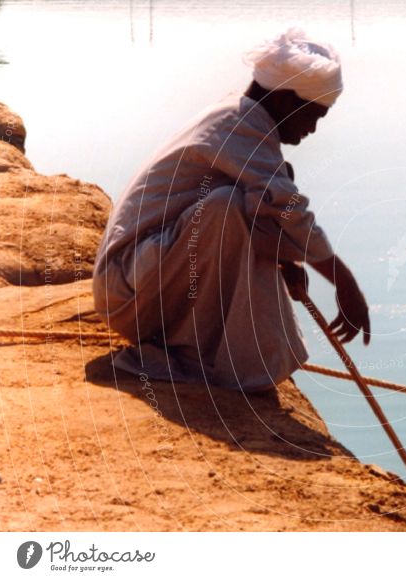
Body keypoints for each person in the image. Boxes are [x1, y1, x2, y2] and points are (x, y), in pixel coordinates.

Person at [92, 28, 370, 393]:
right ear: (287, 101)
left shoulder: (239, 119)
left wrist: (287, 261)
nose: (314, 129)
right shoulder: (239, 126)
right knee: (227, 206)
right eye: (314, 116)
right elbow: (287, 210)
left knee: (253, 195)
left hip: (141, 284)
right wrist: (345, 283)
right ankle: (194, 352)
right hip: (127, 293)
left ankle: (202, 344)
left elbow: (270, 206)